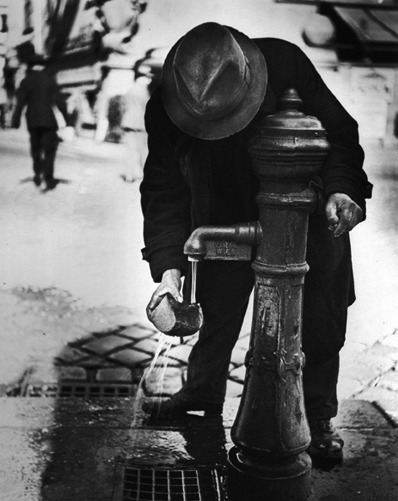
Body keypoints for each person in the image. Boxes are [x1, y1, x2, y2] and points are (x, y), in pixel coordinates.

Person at [139, 22, 372, 463]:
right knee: (214, 312)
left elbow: (341, 133)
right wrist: (169, 272)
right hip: (223, 213)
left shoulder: (285, 64)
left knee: (319, 323)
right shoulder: (166, 107)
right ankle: (200, 394)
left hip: (305, 212)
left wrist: (342, 190)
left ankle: (318, 419)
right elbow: (163, 191)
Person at [11, 55, 68, 190]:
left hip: (33, 120)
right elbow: (60, 101)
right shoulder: (50, 80)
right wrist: (67, 119)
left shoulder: (26, 81)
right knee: (49, 150)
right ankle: (48, 177)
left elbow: (20, 103)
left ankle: (38, 172)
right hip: (49, 121)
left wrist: (16, 120)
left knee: (35, 148)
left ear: (32, 66)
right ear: (43, 66)